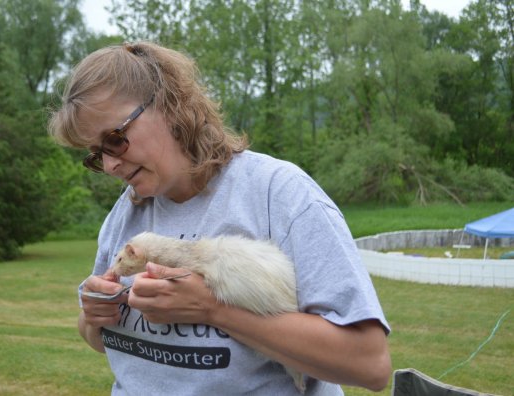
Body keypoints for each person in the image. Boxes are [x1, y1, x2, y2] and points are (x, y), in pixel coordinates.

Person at [48, 41, 391, 395]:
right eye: (95, 155)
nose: (109, 165)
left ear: (168, 105)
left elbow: (369, 363)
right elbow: (101, 339)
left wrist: (213, 309)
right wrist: (93, 316)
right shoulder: (128, 211)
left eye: (115, 140)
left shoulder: (279, 194)